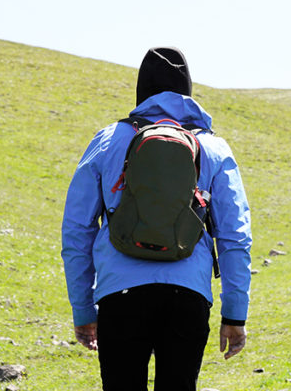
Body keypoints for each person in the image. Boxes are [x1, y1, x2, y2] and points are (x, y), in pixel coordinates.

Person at [61, 47, 252, 390]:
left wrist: (83, 310)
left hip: (120, 295)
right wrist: (234, 313)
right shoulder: (214, 148)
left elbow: (77, 230)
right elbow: (235, 236)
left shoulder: (108, 141)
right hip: (187, 294)